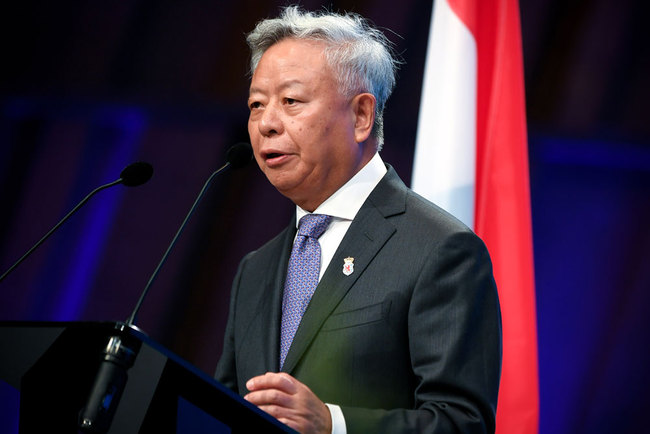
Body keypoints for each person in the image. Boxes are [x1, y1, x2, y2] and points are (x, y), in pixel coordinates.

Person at [215, 6, 501, 434]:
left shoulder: (440, 249)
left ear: (362, 116)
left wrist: (334, 424)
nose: (266, 124)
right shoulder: (255, 270)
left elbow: (463, 423)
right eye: (257, 104)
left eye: (290, 101)